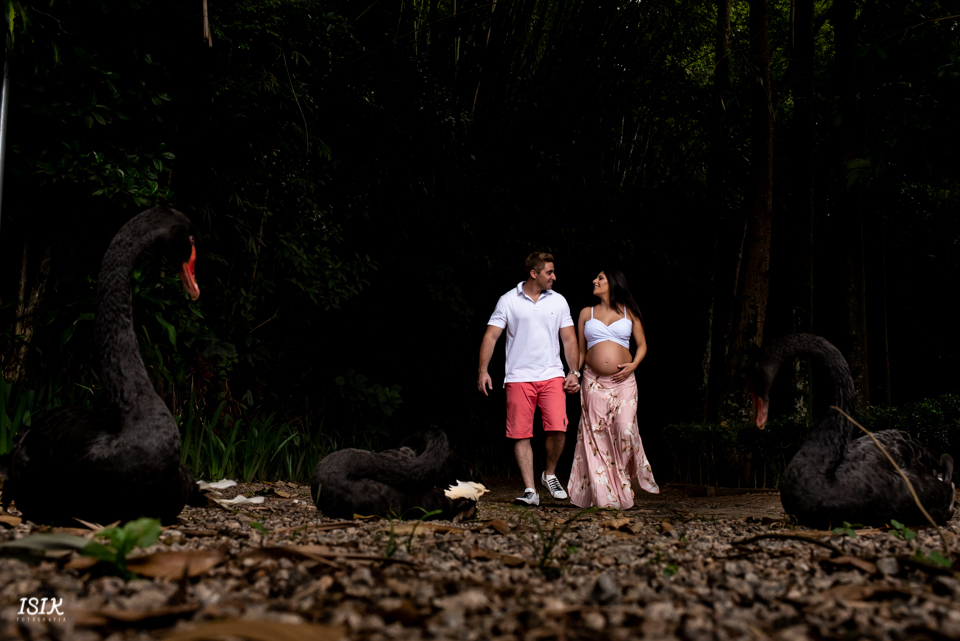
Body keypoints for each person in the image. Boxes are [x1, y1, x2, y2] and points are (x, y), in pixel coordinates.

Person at [477, 252, 581, 506]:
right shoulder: (508, 300)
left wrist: (574, 371)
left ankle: (549, 474)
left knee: (558, 428)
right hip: (518, 376)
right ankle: (530, 490)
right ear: (534, 273)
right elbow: (491, 336)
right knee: (520, 434)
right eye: (549, 272)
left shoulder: (558, 301)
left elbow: (568, 339)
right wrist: (483, 370)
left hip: (552, 375)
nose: (554, 277)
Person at [567, 268, 658, 509]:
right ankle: (605, 496)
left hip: (624, 382)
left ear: (613, 283)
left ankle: (622, 480)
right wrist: (574, 374)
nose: (594, 281)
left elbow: (642, 345)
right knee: (597, 437)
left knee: (625, 431)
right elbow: (581, 351)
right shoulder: (587, 312)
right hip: (593, 381)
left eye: (600, 278)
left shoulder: (631, 313)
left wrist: (634, 365)